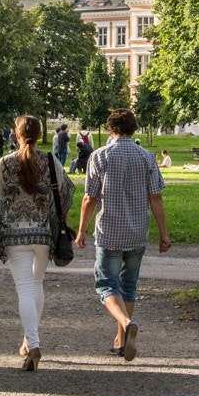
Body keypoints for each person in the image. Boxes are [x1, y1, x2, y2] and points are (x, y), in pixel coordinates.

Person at [74, 108, 170, 362]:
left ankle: (126, 324)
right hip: (138, 232)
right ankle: (120, 340)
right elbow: (156, 197)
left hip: (109, 233)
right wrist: (163, 233)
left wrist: (82, 230)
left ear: (110, 129)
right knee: (128, 286)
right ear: (134, 128)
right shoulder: (147, 157)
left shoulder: (100, 156)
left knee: (106, 285)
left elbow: (89, 198)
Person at [0, 114, 73, 371]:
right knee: (36, 285)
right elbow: (66, 194)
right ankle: (28, 339)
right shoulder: (50, 160)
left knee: (24, 288)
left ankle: (33, 343)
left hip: (14, 236)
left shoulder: (5, 163)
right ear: (40, 133)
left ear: (17, 135)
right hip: (44, 235)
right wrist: (59, 223)